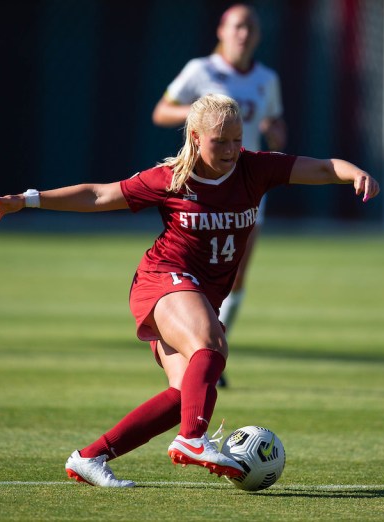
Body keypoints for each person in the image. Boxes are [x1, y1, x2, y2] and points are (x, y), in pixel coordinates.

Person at [0, 93, 379, 488]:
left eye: (237, 139)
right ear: (195, 137)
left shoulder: (255, 169)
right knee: (212, 344)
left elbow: (325, 168)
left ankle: (90, 457)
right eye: (220, 140)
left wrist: (354, 172)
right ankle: (192, 439)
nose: (231, 149)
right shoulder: (171, 179)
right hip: (162, 279)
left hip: (200, 294)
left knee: (181, 394)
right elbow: (99, 194)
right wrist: (28, 200)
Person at [153, 5, 286, 387]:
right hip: (202, 183)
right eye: (237, 26)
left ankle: (212, 346)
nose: (243, 33)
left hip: (245, 185)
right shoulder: (202, 70)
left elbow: (275, 124)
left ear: (257, 35)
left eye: (250, 27)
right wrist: (198, 114)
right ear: (222, 30)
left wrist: (275, 131)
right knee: (195, 266)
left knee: (236, 273)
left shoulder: (266, 79)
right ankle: (202, 350)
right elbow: (161, 111)